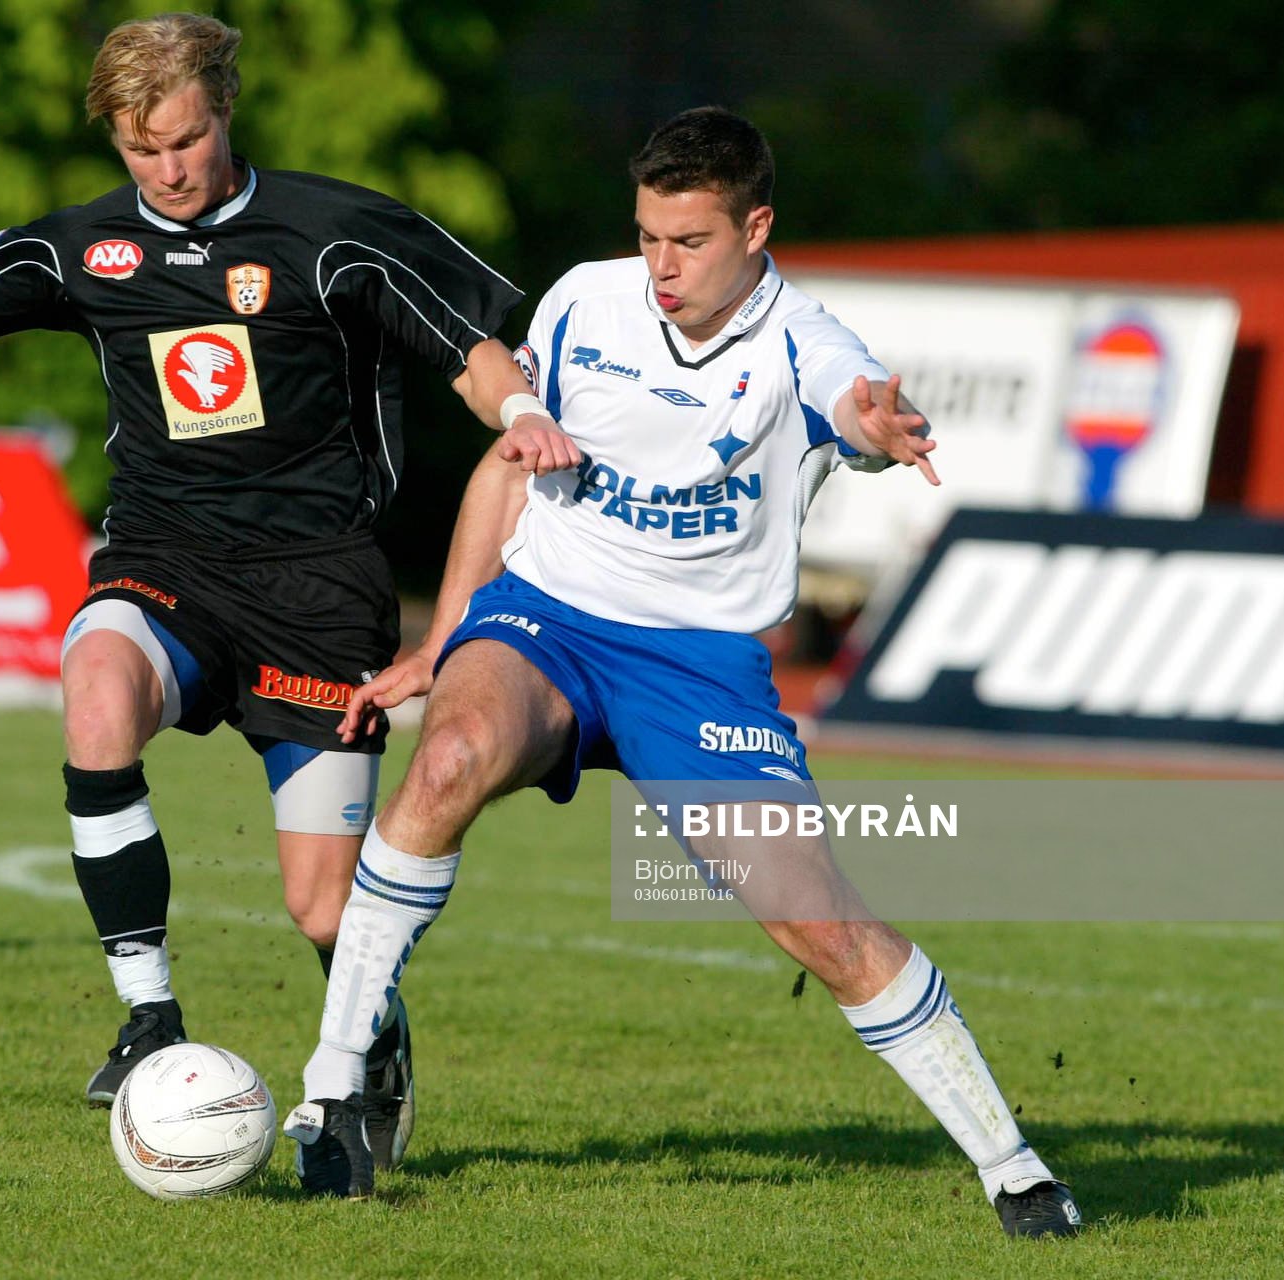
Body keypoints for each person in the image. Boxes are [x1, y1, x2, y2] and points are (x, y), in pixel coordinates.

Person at [0, 12, 577, 1184]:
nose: (168, 169)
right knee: (97, 687)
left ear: (226, 109)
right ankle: (148, 1009)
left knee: (322, 912)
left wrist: (520, 416)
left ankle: (372, 1042)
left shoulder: (336, 231)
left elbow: (470, 345)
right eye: (141, 149)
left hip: (319, 589)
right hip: (163, 563)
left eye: (189, 141)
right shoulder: (79, 247)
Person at [284, 106, 1084, 1237]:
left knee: (826, 928)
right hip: (546, 617)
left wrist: (875, 424)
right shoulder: (583, 300)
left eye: (691, 240)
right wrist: (447, 636)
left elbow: (855, 409)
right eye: (651, 235)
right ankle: (332, 1097)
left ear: (757, 226)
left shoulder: (805, 341)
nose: (662, 265)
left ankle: (1016, 1169)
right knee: (451, 755)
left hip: (698, 669)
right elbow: (511, 468)